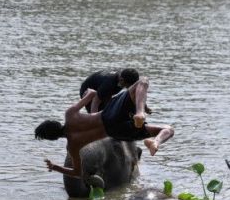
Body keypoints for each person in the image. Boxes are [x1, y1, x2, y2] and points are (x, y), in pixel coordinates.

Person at [35, 77, 174, 182]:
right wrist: (87, 94)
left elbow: (77, 173)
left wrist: (55, 167)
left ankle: (152, 141)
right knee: (142, 82)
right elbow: (92, 93)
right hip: (108, 116)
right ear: (54, 123)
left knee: (167, 129)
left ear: (53, 138)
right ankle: (142, 116)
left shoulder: (73, 146)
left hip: (116, 132)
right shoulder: (70, 114)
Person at [79, 69, 150, 114]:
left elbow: (138, 94)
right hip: (89, 92)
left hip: (106, 91)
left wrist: (145, 107)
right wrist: (93, 118)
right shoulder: (109, 83)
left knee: (109, 111)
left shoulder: (127, 78)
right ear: (121, 80)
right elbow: (96, 101)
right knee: (99, 113)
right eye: (128, 86)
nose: (129, 88)